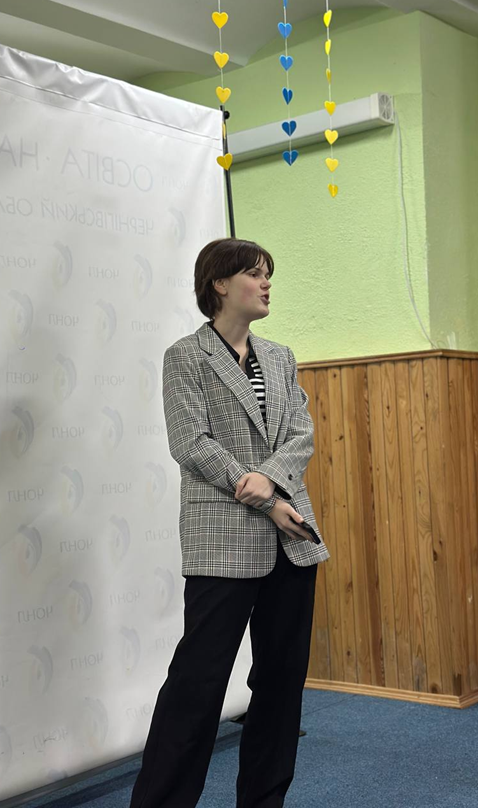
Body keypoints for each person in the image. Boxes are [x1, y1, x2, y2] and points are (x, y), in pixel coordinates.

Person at [129, 237, 330, 808]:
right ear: (220, 283)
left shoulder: (281, 357)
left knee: (281, 686)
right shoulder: (186, 357)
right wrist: (265, 496)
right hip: (223, 542)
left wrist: (270, 480)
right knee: (196, 686)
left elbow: (301, 435)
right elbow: (190, 443)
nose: (266, 284)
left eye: (269, 274)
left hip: (292, 540)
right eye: (255, 274)